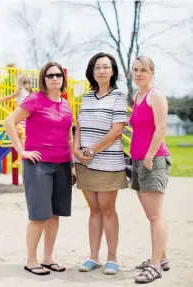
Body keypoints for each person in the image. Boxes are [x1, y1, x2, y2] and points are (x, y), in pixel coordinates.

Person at [4, 62, 74, 276]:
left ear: (63, 79)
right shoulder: (34, 100)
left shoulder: (66, 104)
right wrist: (20, 150)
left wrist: (71, 165)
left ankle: (48, 258)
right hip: (38, 164)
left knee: (54, 215)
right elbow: (10, 122)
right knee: (39, 215)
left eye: (58, 75)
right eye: (50, 75)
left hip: (62, 164)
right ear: (43, 79)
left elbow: (69, 137)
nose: (54, 78)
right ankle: (31, 260)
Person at [73, 52, 128, 275]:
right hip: (85, 163)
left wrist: (92, 150)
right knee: (93, 210)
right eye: (97, 67)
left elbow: (117, 131)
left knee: (107, 210)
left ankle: (112, 258)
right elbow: (79, 127)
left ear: (112, 71)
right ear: (92, 71)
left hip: (108, 162)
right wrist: (76, 151)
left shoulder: (118, 96)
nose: (101, 71)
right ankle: (93, 256)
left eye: (106, 67)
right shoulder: (86, 97)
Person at [130, 56, 171, 284]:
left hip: (152, 160)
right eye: (135, 70)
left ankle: (155, 266)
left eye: (142, 70)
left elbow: (161, 128)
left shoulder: (156, 95)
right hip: (137, 161)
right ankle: (161, 258)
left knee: (155, 215)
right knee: (150, 214)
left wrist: (149, 155)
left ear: (151, 72)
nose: (138, 74)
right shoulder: (137, 96)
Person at [0, 74, 33, 140]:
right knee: (20, 131)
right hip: (27, 114)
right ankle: (21, 143)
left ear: (20, 83)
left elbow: (8, 97)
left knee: (9, 124)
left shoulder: (20, 90)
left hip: (20, 112)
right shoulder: (29, 92)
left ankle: (20, 137)